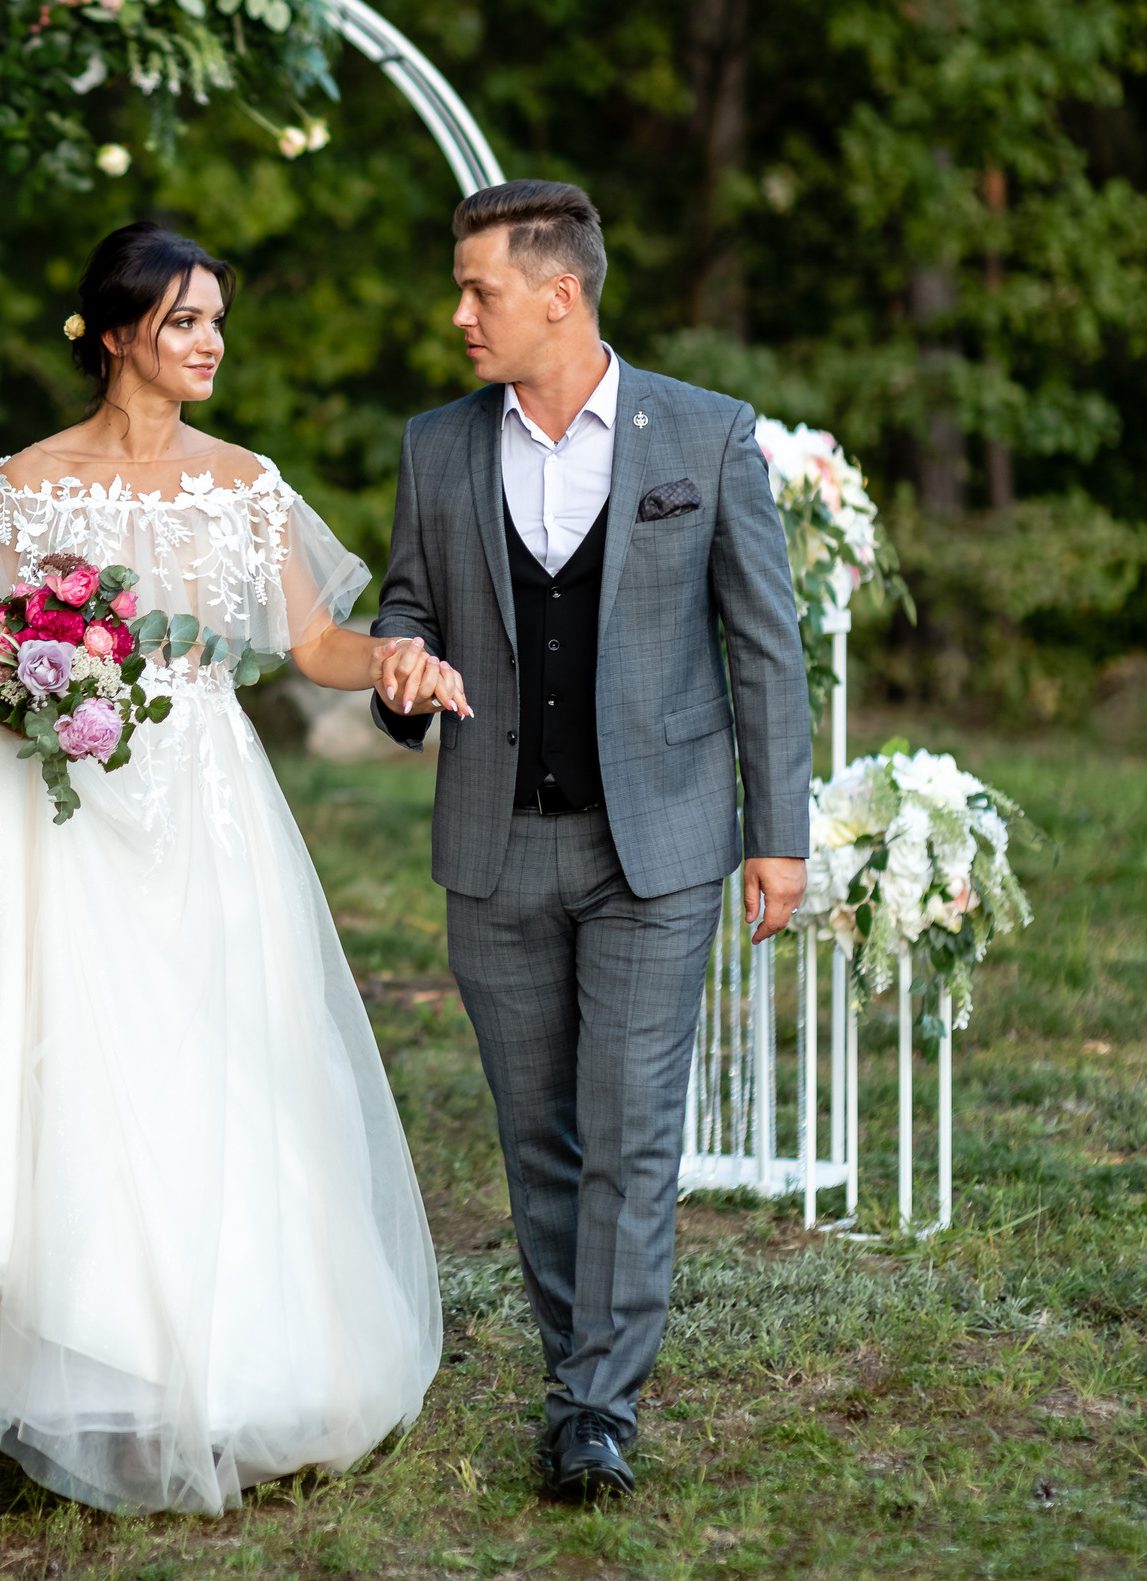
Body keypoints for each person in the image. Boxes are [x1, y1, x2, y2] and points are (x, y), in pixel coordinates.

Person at [0, 222, 456, 1515]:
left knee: (214, 1051)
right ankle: (53, 1353)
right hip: (57, 802)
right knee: (63, 1055)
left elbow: (312, 643)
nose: (210, 345)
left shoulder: (245, 483)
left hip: (203, 795)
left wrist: (398, 658)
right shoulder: (28, 482)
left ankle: (220, 1352)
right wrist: (41, 669)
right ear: (119, 332)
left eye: (218, 323)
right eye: (187, 321)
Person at [369, 180, 812, 1498]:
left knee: (628, 1130)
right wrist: (401, 669)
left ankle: (595, 1408)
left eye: (479, 289)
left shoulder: (707, 434)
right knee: (539, 1135)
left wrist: (776, 835)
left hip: (657, 849)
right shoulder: (437, 448)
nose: (459, 313)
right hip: (494, 846)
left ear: (558, 294)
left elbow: (765, 649)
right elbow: (407, 604)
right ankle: (582, 1376)